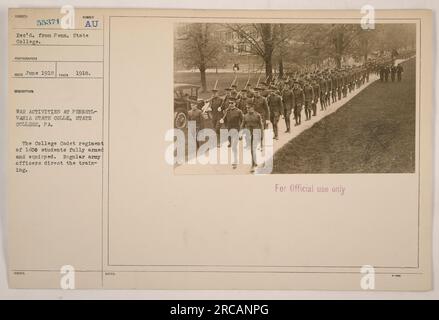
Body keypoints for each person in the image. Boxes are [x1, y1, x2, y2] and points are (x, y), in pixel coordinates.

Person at [241, 102, 263, 172]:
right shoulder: (245, 116)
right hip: (248, 135)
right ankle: (255, 162)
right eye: (247, 108)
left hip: (256, 133)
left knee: (253, 149)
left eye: (249, 108)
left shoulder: (257, 115)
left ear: (253, 108)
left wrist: (261, 135)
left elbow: (261, 125)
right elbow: (242, 125)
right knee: (251, 150)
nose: (247, 109)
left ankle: (252, 165)